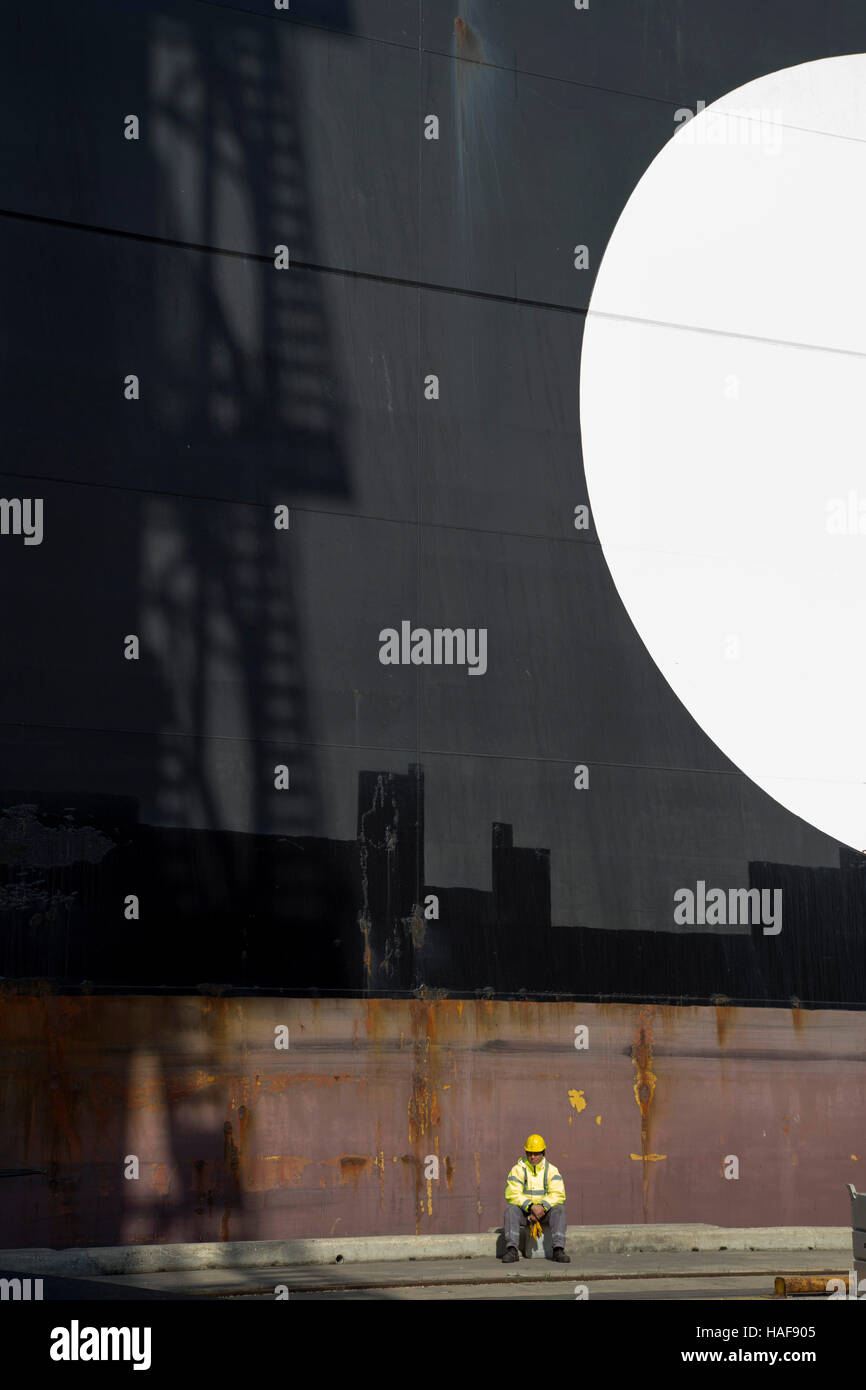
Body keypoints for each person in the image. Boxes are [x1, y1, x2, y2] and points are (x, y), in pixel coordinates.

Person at [502, 1133, 570, 1262]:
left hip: (544, 1212)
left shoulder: (551, 1170)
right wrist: (531, 1207)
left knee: (559, 1210)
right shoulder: (517, 1170)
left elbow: (558, 1193)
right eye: (529, 1153)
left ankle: (558, 1250)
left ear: (543, 1153)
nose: (532, 1157)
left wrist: (542, 1207)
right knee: (511, 1211)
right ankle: (512, 1250)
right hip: (525, 1212)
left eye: (536, 1153)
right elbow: (512, 1193)